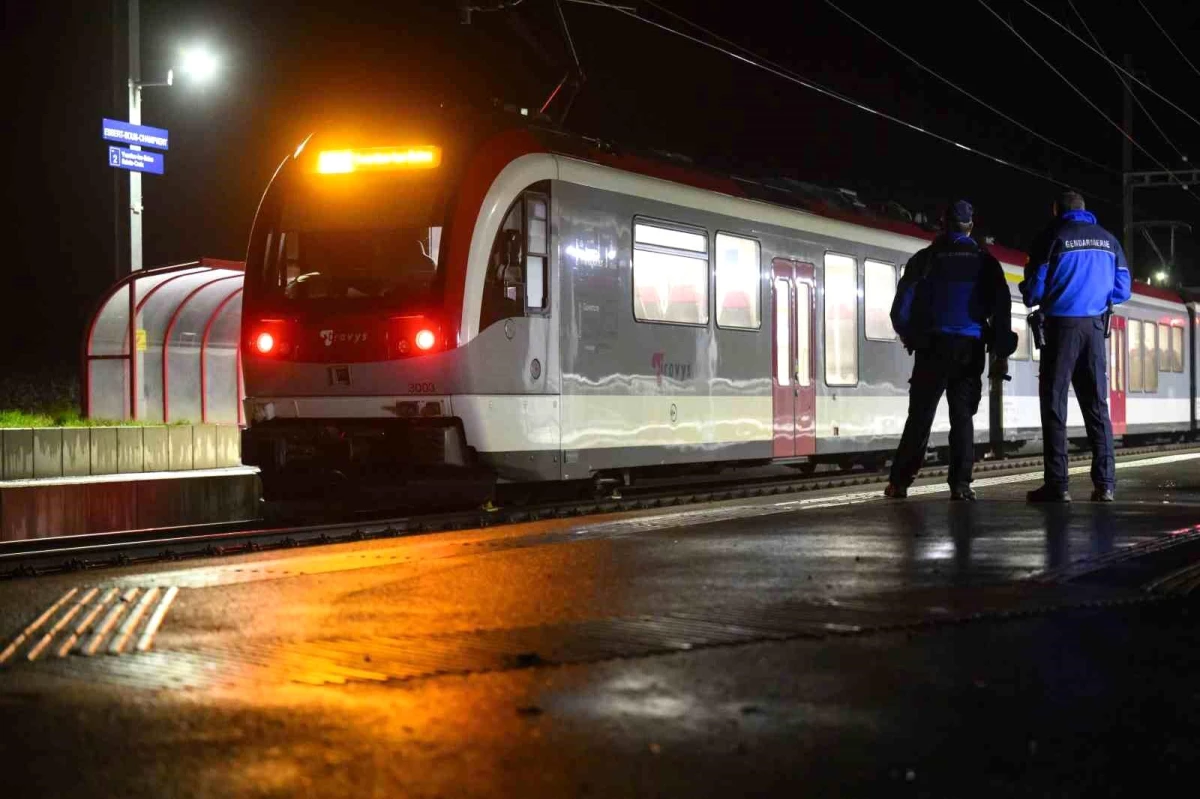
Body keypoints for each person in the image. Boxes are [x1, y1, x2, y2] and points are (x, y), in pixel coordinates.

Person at [884, 200, 1015, 501]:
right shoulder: (985, 262)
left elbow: (900, 310)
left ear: (943, 224)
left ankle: (899, 483)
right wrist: (1000, 351)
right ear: (971, 225)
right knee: (962, 418)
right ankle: (961, 485)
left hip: (932, 347)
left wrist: (910, 336)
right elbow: (1002, 310)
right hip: (969, 349)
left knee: (919, 417)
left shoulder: (925, 259)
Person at [1020, 191, 1131, 502]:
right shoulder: (1109, 241)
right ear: (1085, 210)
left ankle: (1058, 485)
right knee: (1097, 408)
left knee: (1055, 406)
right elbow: (1123, 289)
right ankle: (1105, 484)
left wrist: (1035, 293)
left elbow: (1034, 289)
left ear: (1056, 210)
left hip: (1061, 329)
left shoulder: (1052, 237)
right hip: (1095, 330)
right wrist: (1096, 296)